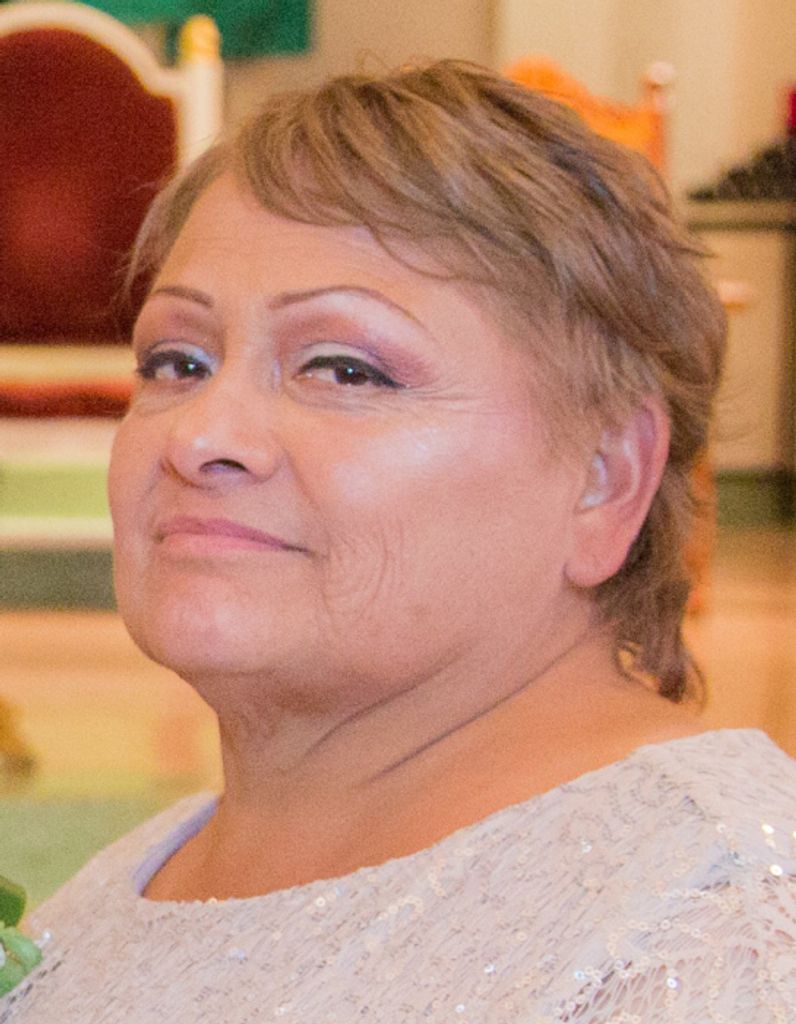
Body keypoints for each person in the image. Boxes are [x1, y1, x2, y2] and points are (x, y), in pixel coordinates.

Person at [3, 60, 794, 1022]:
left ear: (604, 478)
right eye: (178, 361)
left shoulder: (713, 930)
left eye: (346, 369)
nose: (200, 436)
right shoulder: (127, 879)